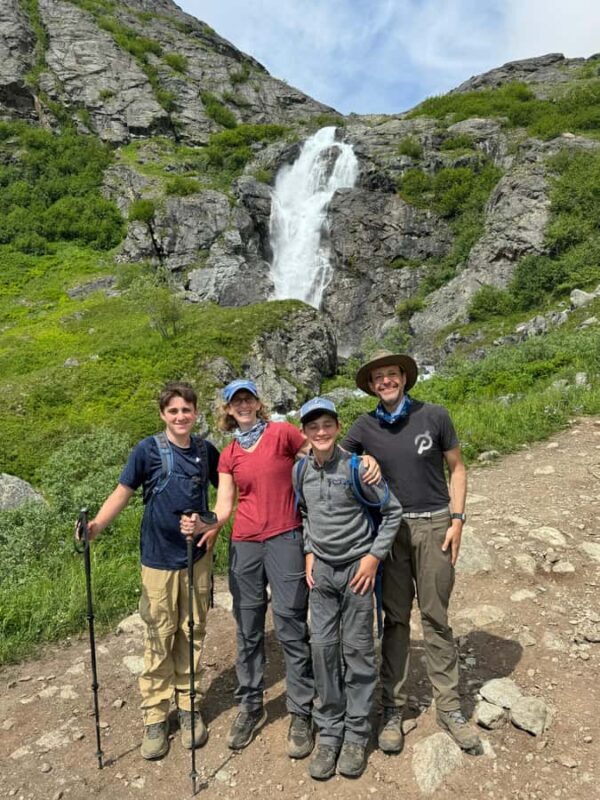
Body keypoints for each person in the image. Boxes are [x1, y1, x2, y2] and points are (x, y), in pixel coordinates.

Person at [342, 351, 483, 756]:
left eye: (392, 374)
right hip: (391, 531)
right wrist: (360, 458)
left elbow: (457, 467)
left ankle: (450, 707)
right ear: (371, 386)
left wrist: (458, 519)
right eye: (378, 377)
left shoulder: (434, 415)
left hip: (436, 525)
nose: (385, 381)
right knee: (396, 620)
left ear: (404, 377)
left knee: (436, 617)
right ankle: (393, 708)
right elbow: (326, 455)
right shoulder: (364, 426)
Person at [81, 382, 219, 760]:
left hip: (197, 558)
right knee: (159, 635)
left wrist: (211, 524)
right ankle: (156, 715)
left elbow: (228, 495)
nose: (180, 416)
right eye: (173, 411)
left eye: (186, 410)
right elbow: (122, 492)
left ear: (196, 413)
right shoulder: (147, 450)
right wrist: (96, 526)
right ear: (162, 415)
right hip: (158, 559)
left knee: (192, 632)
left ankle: (189, 706)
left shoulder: (206, 451)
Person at [295, 398, 403, 781]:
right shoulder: (301, 470)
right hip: (322, 574)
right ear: (304, 432)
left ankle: (356, 734)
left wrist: (373, 558)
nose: (321, 432)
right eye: (313, 427)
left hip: (358, 571)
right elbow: (305, 512)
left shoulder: (357, 468)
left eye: (327, 424)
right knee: (323, 649)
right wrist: (309, 551)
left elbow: (392, 512)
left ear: (338, 427)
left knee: (357, 651)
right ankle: (329, 733)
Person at [212, 378, 316, 759]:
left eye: (248, 399)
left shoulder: (282, 433)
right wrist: (207, 527)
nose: (243, 405)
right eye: (235, 401)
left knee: (290, 621)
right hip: (245, 542)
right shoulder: (228, 454)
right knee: (248, 625)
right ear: (228, 409)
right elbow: (225, 505)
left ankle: (301, 710)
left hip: (285, 535)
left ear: (258, 403)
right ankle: (251, 704)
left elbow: (319, 452)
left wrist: (357, 464)